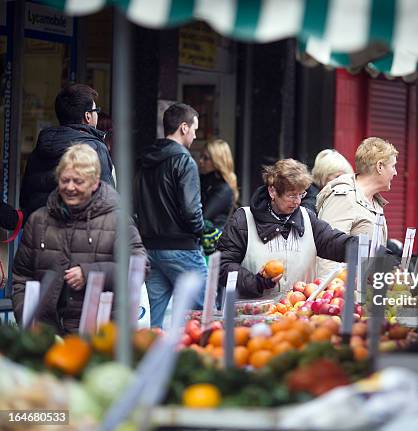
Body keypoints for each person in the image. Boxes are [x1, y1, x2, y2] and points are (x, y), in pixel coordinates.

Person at [11, 144, 146, 334]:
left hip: (101, 336)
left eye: (78, 181)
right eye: (64, 180)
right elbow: (21, 277)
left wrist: (91, 274)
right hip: (47, 334)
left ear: (95, 183)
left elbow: (138, 268)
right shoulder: (38, 220)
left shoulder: (117, 221)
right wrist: (26, 316)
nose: (70, 187)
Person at [217, 159, 356, 299]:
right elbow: (222, 266)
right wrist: (256, 282)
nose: (298, 201)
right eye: (291, 195)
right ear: (272, 191)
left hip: (297, 314)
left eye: (301, 194)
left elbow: (333, 242)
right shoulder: (243, 220)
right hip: (251, 316)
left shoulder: (308, 218)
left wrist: (361, 246)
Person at [134, 103, 207, 328]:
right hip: (182, 247)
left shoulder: (145, 160)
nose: (195, 135)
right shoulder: (184, 161)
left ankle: (149, 360)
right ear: (183, 128)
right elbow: (190, 209)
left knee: (153, 322)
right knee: (203, 318)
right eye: (194, 129)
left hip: (151, 248)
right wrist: (200, 231)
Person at [20, 84, 115, 220]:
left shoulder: (40, 147)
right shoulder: (95, 148)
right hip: (80, 234)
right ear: (88, 116)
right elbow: (107, 202)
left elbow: (25, 198)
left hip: (41, 231)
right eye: (96, 110)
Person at [316, 137, 398, 277]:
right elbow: (326, 257)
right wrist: (334, 296)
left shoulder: (375, 202)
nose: (395, 172)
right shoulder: (343, 197)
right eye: (393, 166)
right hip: (345, 295)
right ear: (379, 166)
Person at [302, 149, 354, 213]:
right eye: (337, 176)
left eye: (345, 177)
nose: (343, 180)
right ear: (323, 175)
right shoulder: (311, 201)